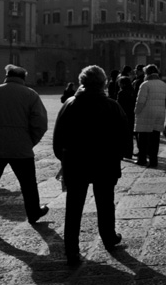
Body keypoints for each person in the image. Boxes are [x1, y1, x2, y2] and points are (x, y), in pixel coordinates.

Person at [53, 65, 126, 266]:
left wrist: (65, 159)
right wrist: (116, 157)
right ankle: (109, 238)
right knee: (105, 202)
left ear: (81, 82)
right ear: (104, 83)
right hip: (105, 162)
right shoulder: (112, 106)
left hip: (76, 162)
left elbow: (58, 139)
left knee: (74, 206)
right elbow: (124, 138)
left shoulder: (70, 104)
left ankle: (71, 250)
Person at [0, 64, 49, 239]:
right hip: (21, 148)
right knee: (28, 184)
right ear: (23, 78)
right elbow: (41, 123)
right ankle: (34, 213)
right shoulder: (31, 95)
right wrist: (30, 141)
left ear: (7, 76)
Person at [134, 64, 166, 167]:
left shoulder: (145, 84)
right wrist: (161, 108)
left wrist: (136, 111)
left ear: (147, 73)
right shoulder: (164, 85)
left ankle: (142, 159)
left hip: (146, 113)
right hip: (159, 113)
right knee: (155, 138)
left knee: (143, 138)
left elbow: (140, 101)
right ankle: (154, 161)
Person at [115, 75, 136, 159]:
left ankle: (122, 152)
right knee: (130, 135)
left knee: (121, 135)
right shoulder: (133, 91)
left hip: (123, 115)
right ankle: (129, 152)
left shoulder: (121, 93)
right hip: (131, 115)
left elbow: (119, 105)